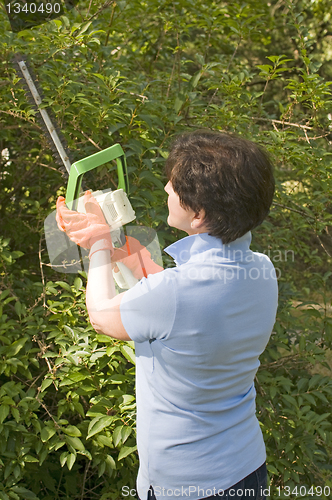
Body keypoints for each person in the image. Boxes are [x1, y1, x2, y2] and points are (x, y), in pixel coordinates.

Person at [56, 129, 278, 500]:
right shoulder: (262, 270)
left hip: (189, 485)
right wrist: (125, 251)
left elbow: (101, 315)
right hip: (247, 470)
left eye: (173, 187)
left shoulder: (175, 293)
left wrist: (96, 243)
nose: (166, 191)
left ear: (200, 214)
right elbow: (189, 313)